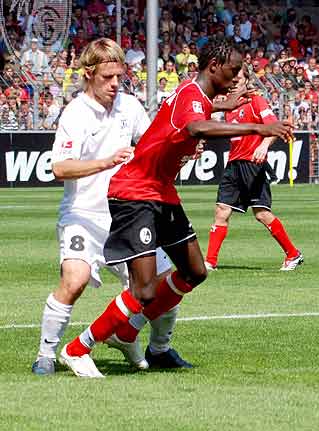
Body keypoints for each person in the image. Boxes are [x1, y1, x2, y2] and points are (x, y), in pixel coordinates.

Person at [60, 40, 293, 378]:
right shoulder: (190, 94)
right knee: (142, 289)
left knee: (194, 271)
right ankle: (77, 348)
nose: (239, 74)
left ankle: (126, 332)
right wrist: (258, 127)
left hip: (161, 193)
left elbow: (198, 115)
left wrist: (221, 106)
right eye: (234, 68)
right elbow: (196, 127)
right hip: (135, 193)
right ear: (213, 66)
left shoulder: (197, 96)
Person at [32, 38, 190, 377]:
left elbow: (153, 149)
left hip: (126, 213)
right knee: (75, 279)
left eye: (119, 76)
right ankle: (46, 355)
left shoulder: (130, 107)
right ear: (89, 74)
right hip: (82, 216)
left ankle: (157, 347)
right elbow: (60, 168)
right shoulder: (74, 112)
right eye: (107, 77)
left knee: (163, 281)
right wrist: (106, 162)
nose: (115, 84)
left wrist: (182, 152)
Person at [205, 66, 303, 272]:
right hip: (233, 164)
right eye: (231, 78)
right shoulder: (229, 105)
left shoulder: (256, 100)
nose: (233, 82)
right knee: (221, 211)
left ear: (246, 80)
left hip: (253, 165)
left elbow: (276, 126)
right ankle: (210, 262)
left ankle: (293, 254)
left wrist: (264, 145)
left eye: (238, 78)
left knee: (261, 214)